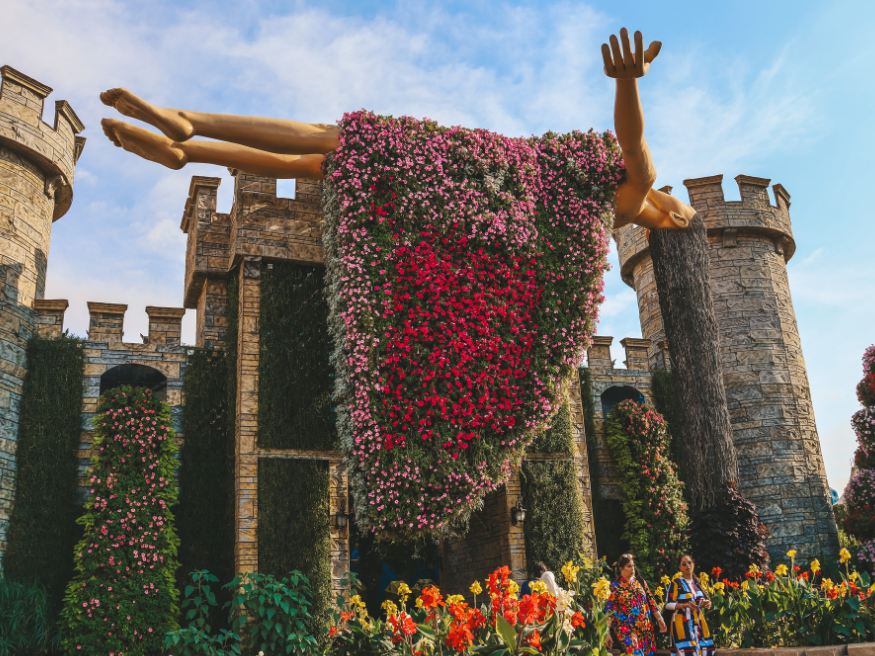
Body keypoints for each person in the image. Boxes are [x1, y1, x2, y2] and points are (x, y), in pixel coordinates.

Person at [98, 28, 696, 234]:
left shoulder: (619, 207)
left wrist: (627, 85)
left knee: (327, 141)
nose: (673, 203)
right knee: (312, 164)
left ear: (664, 214)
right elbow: (634, 156)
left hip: (447, 171)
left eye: (674, 207)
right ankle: (187, 151)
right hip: (452, 189)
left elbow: (638, 156)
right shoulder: (594, 204)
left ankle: (190, 126)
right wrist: (625, 87)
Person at [605, 554, 667, 656]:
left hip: (645, 630)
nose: (632, 568)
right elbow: (610, 611)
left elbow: (652, 602)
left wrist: (660, 619)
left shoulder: (640, 582)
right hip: (626, 631)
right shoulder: (616, 586)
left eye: (633, 566)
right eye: (629, 566)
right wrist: (606, 633)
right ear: (621, 569)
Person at [663, 554, 715, 656]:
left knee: (703, 651)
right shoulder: (676, 583)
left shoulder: (696, 583)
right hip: (681, 623)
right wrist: (684, 605)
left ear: (693, 564)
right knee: (686, 652)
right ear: (680, 567)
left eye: (689, 562)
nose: (687, 565)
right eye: (684, 564)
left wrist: (704, 603)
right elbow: (668, 605)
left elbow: (698, 601)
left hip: (698, 623)